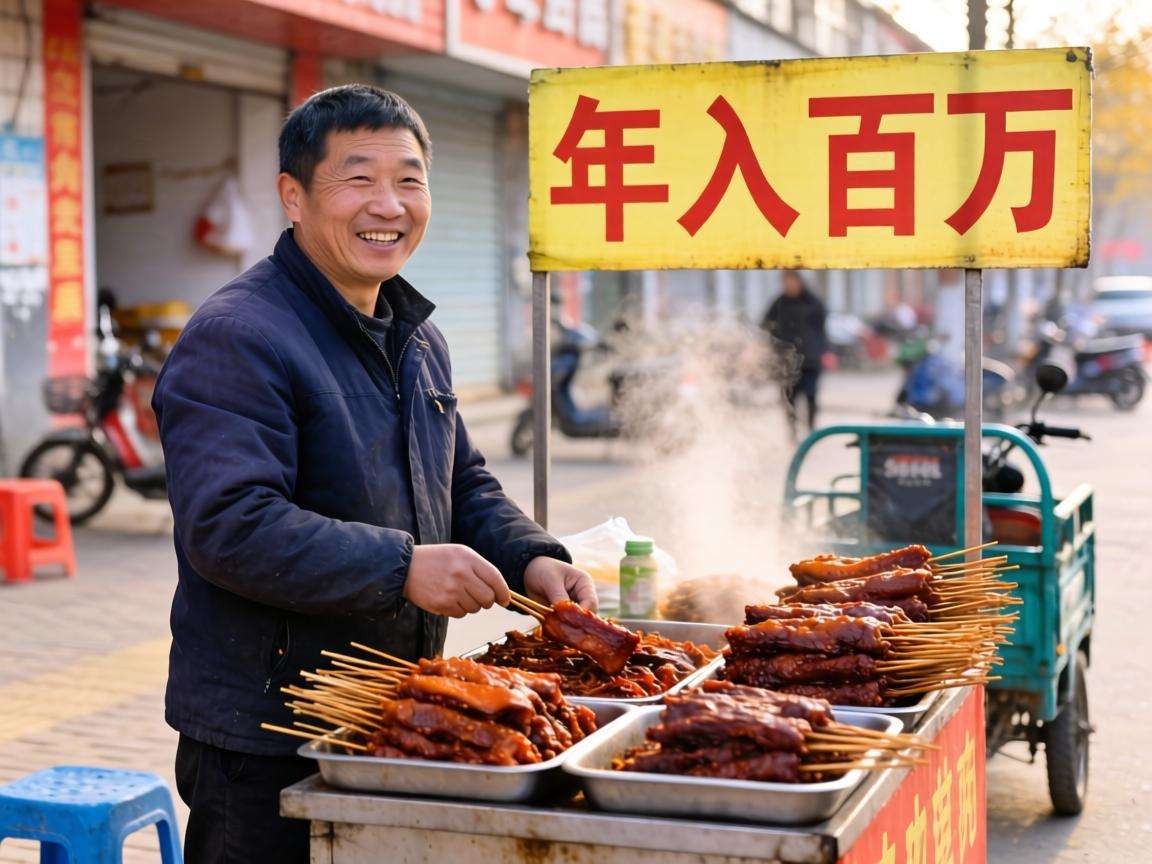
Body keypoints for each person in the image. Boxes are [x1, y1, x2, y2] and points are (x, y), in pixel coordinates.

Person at [152, 84, 596, 864]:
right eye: (358, 179)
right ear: (294, 196)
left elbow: (460, 483)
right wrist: (402, 568)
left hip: (392, 712)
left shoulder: (417, 336)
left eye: (409, 179)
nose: (387, 203)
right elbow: (229, 526)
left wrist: (534, 557)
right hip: (268, 736)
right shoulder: (237, 337)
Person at [761, 271, 828, 435]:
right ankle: (792, 432)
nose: (789, 286)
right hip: (786, 361)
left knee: (811, 396)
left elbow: (822, 330)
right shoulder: (779, 303)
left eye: (792, 281)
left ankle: (811, 430)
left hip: (810, 360)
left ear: (800, 282)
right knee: (788, 398)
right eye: (785, 282)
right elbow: (765, 325)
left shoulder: (814, 303)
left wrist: (824, 351)